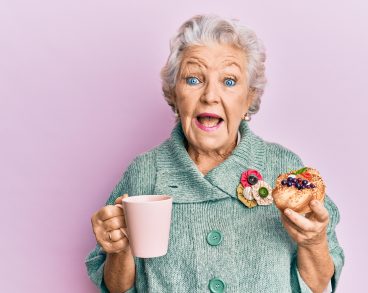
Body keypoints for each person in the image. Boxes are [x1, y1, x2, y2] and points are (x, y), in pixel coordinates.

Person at [85, 14, 344, 293]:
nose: (210, 95)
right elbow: (117, 287)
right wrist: (117, 250)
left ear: (250, 98)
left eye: (229, 81)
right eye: (194, 79)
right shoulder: (145, 172)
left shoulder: (284, 169)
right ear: (174, 94)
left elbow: (319, 285)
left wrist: (313, 243)